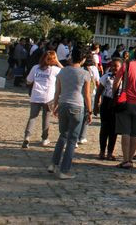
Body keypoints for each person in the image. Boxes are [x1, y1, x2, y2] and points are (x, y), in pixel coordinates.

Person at [49, 50, 92, 179]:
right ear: (83, 59)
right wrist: (90, 111)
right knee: (72, 139)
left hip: (63, 103)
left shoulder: (63, 71)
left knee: (63, 135)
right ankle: (64, 170)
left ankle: (53, 163)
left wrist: (55, 105)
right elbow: (87, 95)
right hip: (77, 105)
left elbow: (58, 91)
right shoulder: (85, 74)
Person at [23, 50, 63, 148]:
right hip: (48, 98)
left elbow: (28, 81)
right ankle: (44, 138)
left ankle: (27, 138)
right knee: (46, 118)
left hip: (36, 96)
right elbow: (66, 72)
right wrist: (58, 62)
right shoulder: (54, 70)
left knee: (32, 117)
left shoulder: (35, 68)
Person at [94, 57, 122, 160]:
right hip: (106, 103)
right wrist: (96, 105)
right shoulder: (106, 77)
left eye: (117, 66)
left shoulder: (124, 78)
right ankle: (102, 151)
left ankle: (110, 152)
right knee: (104, 128)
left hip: (117, 105)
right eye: (113, 65)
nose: (114, 68)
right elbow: (99, 92)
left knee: (114, 130)